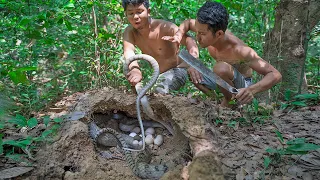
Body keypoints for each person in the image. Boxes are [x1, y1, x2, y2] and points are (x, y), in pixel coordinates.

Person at [162, 1, 282, 107]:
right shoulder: (205, 27)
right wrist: (178, 36)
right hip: (221, 82)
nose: (198, 37)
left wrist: (251, 90)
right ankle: (217, 100)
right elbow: (188, 23)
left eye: (202, 34)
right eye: (197, 32)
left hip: (241, 85)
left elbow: (275, 74)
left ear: (219, 34)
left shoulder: (240, 50)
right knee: (192, 70)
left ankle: (230, 102)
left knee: (221, 68)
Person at [122, 0, 198, 94]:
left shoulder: (164, 27)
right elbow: (128, 51)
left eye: (139, 12)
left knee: (159, 90)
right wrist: (135, 69)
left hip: (178, 69)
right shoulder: (130, 32)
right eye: (131, 13)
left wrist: (193, 63)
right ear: (126, 14)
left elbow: (189, 40)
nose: (135, 17)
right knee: (136, 88)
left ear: (148, 11)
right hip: (159, 75)